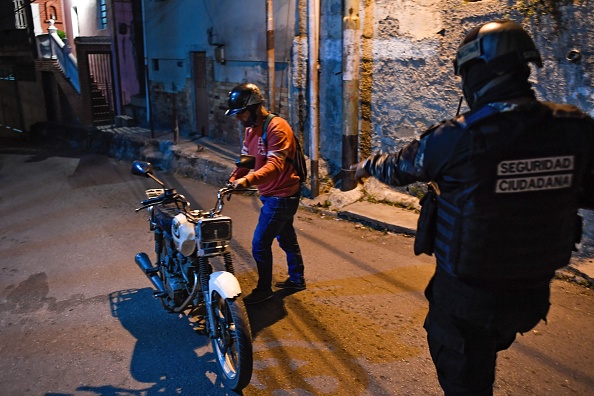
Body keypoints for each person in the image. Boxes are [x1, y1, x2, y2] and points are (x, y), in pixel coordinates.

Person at [352, 20, 594, 395]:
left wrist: (365, 166)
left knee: (464, 373)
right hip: (532, 292)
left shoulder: (456, 137)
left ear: (474, 73)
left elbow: (399, 168)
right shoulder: (575, 128)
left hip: (467, 299)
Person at [226, 82, 306, 305]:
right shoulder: (250, 130)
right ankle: (297, 279)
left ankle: (264, 289)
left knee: (260, 243)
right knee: (286, 236)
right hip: (272, 194)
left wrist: (247, 180)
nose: (239, 119)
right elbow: (247, 160)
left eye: (241, 113)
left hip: (282, 195)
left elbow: (275, 165)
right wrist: (234, 178)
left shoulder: (277, 128)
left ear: (253, 107)